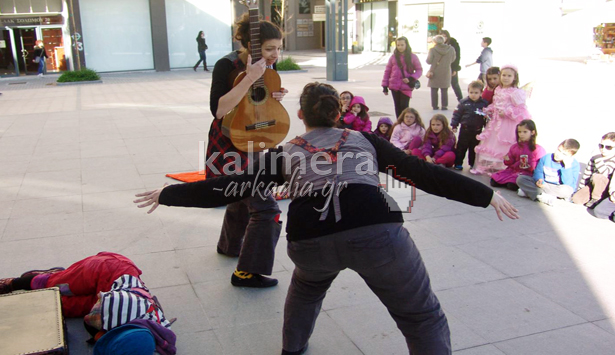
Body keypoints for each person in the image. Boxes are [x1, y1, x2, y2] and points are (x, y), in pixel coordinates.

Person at [133, 81, 519, 355]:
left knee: (306, 288)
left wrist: (170, 194)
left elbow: (231, 186)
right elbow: (420, 173)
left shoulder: (284, 153)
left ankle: (293, 348)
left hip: (310, 242)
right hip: (378, 236)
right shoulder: (365, 140)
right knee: (422, 317)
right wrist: (483, 194)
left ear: (300, 115)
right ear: (339, 114)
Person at [205, 13, 287, 288]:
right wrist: (249, 78)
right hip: (229, 143)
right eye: (269, 48)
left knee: (240, 195)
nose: (276, 54)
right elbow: (219, 109)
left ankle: (229, 246)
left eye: (279, 47)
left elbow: (258, 101)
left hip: (254, 138)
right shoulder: (225, 65)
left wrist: (274, 97)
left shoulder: (269, 66)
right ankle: (247, 272)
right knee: (266, 209)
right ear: (251, 47)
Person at [472, 64, 531, 175]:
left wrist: (508, 112)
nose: (506, 78)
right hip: (496, 121)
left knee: (503, 143)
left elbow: (521, 108)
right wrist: (489, 109)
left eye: (509, 76)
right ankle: (493, 165)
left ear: (514, 78)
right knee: (492, 143)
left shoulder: (516, 92)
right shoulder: (498, 89)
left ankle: (504, 166)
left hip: (508, 123)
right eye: (504, 75)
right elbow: (496, 104)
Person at [517, 139, 580, 206]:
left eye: (564, 154)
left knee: (567, 191)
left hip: (557, 187)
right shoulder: (546, 157)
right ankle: (543, 196)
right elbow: (538, 172)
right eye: (559, 150)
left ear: (570, 156)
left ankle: (532, 193)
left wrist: (567, 167)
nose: (558, 154)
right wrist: (539, 179)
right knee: (521, 179)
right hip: (544, 184)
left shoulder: (574, 164)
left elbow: (568, 184)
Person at [490, 120, 546, 191]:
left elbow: (540, 167)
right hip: (513, 171)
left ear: (532, 132)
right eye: (519, 132)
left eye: (525, 132)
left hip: (526, 174)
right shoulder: (515, 147)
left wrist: (530, 166)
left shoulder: (538, 149)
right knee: (494, 181)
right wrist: (507, 160)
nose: (521, 134)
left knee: (512, 185)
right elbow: (510, 162)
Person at [451, 81, 489, 171]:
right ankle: (458, 163)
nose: (473, 95)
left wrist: (487, 126)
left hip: (477, 131)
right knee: (461, 147)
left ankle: (472, 164)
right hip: (465, 129)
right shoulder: (463, 103)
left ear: (481, 93)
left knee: (474, 149)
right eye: (471, 92)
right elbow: (456, 114)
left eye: (476, 93)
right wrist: (454, 125)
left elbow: (487, 116)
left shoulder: (484, 104)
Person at [382, 37, 423, 118]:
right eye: (398, 45)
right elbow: (387, 71)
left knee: (404, 107)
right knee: (397, 107)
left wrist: (411, 78)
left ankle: (405, 124)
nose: (400, 47)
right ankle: (399, 125)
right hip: (394, 86)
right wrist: (384, 86)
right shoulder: (393, 57)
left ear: (406, 45)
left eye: (402, 45)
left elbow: (419, 70)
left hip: (406, 86)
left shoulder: (413, 57)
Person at [572, 132, 615, 208]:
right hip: (593, 185)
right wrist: (580, 189)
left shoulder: (612, 159)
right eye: (601, 146)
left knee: (598, 177)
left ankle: (597, 199)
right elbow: (586, 175)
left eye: (608, 147)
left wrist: (598, 159)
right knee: (576, 199)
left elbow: (605, 172)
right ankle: (593, 198)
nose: (603, 149)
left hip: (607, 189)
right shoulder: (595, 158)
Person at [426, 35, 456, 111]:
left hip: (434, 71)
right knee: (444, 89)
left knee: (434, 89)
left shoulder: (433, 50)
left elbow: (429, 61)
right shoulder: (451, 49)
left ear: (435, 41)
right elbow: (453, 59)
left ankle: (435, 106)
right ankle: (444, 106)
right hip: (446, 71)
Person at [440, 30, 463, 101]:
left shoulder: (453, 43)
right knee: (443, 85)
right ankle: (444, 103)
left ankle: (460, 99)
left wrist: (455, 69)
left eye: (445, 36)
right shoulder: (439, 45)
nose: (443, 38)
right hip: (443, 68)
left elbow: (457, 57)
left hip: (452, 67)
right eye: (442, 36)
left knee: (455, 84)